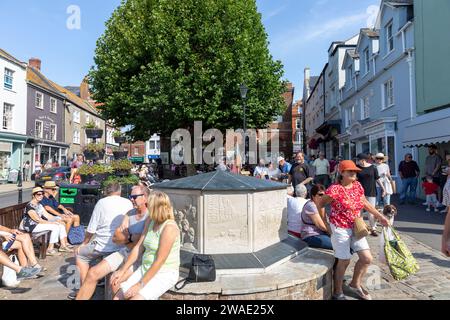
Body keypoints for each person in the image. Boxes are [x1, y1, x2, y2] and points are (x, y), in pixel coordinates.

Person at [318, 160, 389, 300]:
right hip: (340, 228)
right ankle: (338, 292)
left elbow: (364, 202)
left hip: (356, 226)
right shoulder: (335, 189)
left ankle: (355, 284)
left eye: (355, 171)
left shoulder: (357, 185)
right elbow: (320, 203)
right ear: (342, 172)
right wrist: (326, 225)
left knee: (367, 258)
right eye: (350, 171)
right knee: (344, 260)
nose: (353, 173)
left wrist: (379, 216)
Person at [75, 185, 150, 300]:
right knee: (92, 273)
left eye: (134, 197)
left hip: (139, 257)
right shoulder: (129, 213)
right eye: (131, 196)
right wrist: (131, 238)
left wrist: (127, 238)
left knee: (115, 282)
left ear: (145, 197)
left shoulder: (150, 216)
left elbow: (142, 243)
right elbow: (116, 238)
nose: (131, 199)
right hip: (124, 251)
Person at [112, 191, 181, 300]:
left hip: (164, 272)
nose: (146, 207)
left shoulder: (169, 228)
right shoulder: (151, 220)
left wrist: (139, 285)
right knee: (117, 296)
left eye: (148, 205)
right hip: (146, 267)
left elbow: (160, 261)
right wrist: (122, 270)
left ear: (156, 207)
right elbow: (139, 247)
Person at [19, 187, 73, 256]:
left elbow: (47, 215)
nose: (41, 196)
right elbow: (37, 219)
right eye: (38, 194)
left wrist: (57, 219)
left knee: (61, 225)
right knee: (55, 227)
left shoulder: (39, 205)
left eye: (42, 194)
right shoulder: (30, 206)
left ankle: (63, 246)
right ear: (33, 195)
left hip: (38, 224)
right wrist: (52, 223)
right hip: (31, 226)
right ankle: (50, 250)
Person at [356, 153, 386, 237]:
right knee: (359, 211)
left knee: (371, 211)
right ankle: (360, 228)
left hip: (371, 192)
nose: (357, 161)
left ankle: (373, 228)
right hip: (359, 193)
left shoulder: (373, 167)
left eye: (358, 160)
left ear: (363, 160)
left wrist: (383, 189)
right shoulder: (357, 167)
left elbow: (377, 179)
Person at [300, 184, 333, 250]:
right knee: (338, 245)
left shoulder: (320, 205)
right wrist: (334, 233)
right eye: (320, 195)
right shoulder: (311, 206)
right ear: (313, 196)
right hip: (311, 236)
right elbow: (321, 226)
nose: (323, 197)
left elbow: (325, 222)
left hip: (321, 233)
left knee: (341, 244)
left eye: (324, 195)